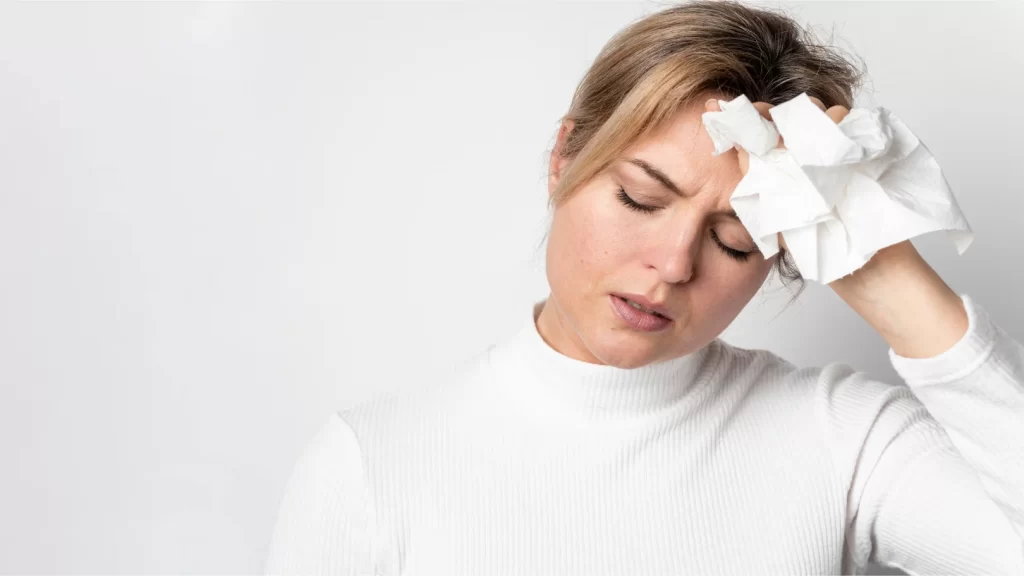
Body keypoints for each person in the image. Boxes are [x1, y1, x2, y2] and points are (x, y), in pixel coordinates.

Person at [264, 2, 1024, 574]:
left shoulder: (844, 438)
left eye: (736, 239)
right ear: (566, 157)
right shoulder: (373, 464)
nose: (672, 265)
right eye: (641, 198)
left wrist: (887, 276)